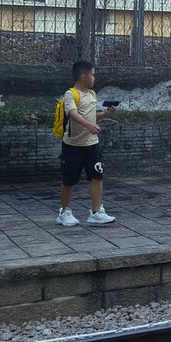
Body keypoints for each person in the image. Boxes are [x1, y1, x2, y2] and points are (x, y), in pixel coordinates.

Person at [57, 60, 117, 227]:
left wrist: (104, 113)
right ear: (83, 77)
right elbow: (72, 113)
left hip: (92, 144)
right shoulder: (71, 94)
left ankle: (96, 212)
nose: (94, 78)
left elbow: (89, 115)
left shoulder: (92, 94)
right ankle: (64, 212)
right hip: (72, 145)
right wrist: (88, 125)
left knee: (97, 176)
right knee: (69, 179)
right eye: (92, 74)